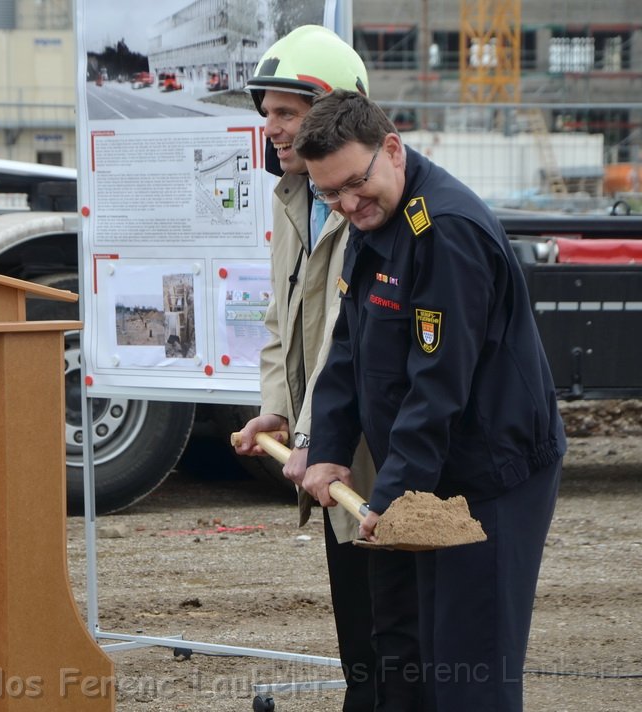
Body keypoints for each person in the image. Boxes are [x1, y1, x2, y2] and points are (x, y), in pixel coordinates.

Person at [295, 89, 565, 712]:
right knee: (423, 661)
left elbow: (438, 384)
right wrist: (331, 450)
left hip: (491, 476)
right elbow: (348, 350)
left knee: (471, 671)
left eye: (356, 184)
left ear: (392, 149)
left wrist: (392, 498)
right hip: (432, 474)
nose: (347, 203)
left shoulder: (445, 232)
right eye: (329, 193)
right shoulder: (372, 220)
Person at [233, 26, 422, 711]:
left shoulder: (371, 209)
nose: (273, 128)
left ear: (337, 110)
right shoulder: (293, 201)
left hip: (371, 450)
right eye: (268, 115)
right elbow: (286, 322)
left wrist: (315, 438)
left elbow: (352, 344)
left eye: (288, 112)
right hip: (331, 447)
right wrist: (277, 408)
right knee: (359, 624)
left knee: (394, 624)